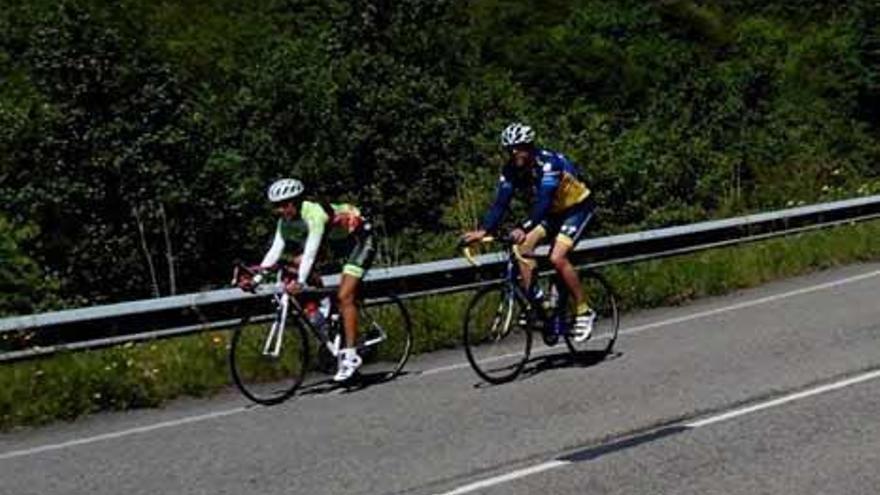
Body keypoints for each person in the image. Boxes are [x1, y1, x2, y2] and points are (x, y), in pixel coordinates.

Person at [462, 122, 597, 343]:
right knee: (521, 249)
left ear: (529, 146)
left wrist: (523, 227)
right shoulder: (511, 170)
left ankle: (584, 310)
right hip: (553, 213)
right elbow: (500, 204)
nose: (514, 153)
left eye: (519, 147)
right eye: (510, 149)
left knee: (557, 256)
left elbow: (543, 202)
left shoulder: (549, 164)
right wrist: (483, 230)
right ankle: (540, 304)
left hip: (577, 208)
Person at [240, 178, 375, 381]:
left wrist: (301, 282)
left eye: (284, 205)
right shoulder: (284, 222)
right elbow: (274, 253)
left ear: (295, 202)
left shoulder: (314, 213)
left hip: (359, 240)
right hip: (335, 244)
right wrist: (257, 278)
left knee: (345, 295)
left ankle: (350, 356)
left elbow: (311, 253)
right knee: (292, 265)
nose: (279, 210)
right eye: (276, 206)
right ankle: (325, 314)